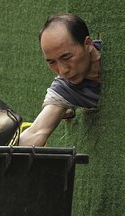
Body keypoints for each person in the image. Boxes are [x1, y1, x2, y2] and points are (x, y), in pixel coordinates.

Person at [19, 14, 102, 147]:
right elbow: (36, 132)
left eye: (67, 57)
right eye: (52, 62)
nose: (62, 71)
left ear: (88, 44)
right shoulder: (64, 87)